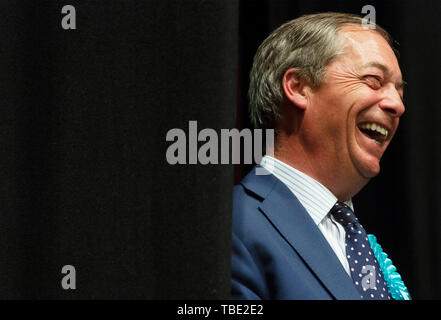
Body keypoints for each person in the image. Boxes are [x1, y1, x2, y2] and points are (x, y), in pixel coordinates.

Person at [232, 12, 410, 300]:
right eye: (374, 80)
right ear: (299, 87)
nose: (397, 105)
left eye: (399, 92)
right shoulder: (234, 225)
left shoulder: (357, 240)